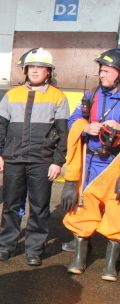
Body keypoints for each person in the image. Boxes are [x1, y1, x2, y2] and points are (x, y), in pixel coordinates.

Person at [0, 48, 68, 266]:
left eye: (40, 68)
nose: (35, 71)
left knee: (39, 206)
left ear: (48, 72)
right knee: (11, 205)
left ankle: (34, 248)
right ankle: (7, 244)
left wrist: (57, 161)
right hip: (14, 159)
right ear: (25, 70)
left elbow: (64, 133)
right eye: (32, 67)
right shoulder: (11, 95)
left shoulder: (57, 96)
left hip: (42, 161)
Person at [61, 48, 120, 280]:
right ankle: (79, 259)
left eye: (106, 71)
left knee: (117, 212)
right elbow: (74, 120)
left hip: (115, 166)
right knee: (82, 209)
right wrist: (85, 128)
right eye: (100, 71)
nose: (101, 75)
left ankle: (110, 266)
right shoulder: (92, 94)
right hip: (91, 162)